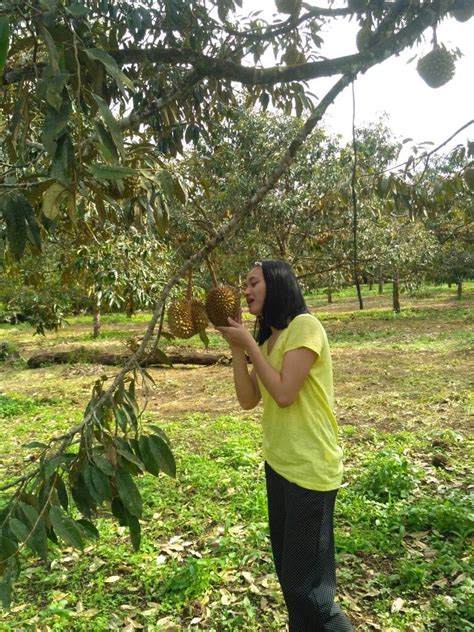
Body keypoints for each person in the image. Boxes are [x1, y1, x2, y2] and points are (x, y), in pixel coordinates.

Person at [217, 259, 353, 632]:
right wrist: (238, 349)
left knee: (310, 592)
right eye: (245, 284)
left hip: (311, 469)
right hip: (279, 466)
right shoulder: (268, 339)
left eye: (252, 283)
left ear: (276, 284)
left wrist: (249, 345)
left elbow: (284, 394)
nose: (245, 290)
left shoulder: (304, 328)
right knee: (291, 581)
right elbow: (248, 399)